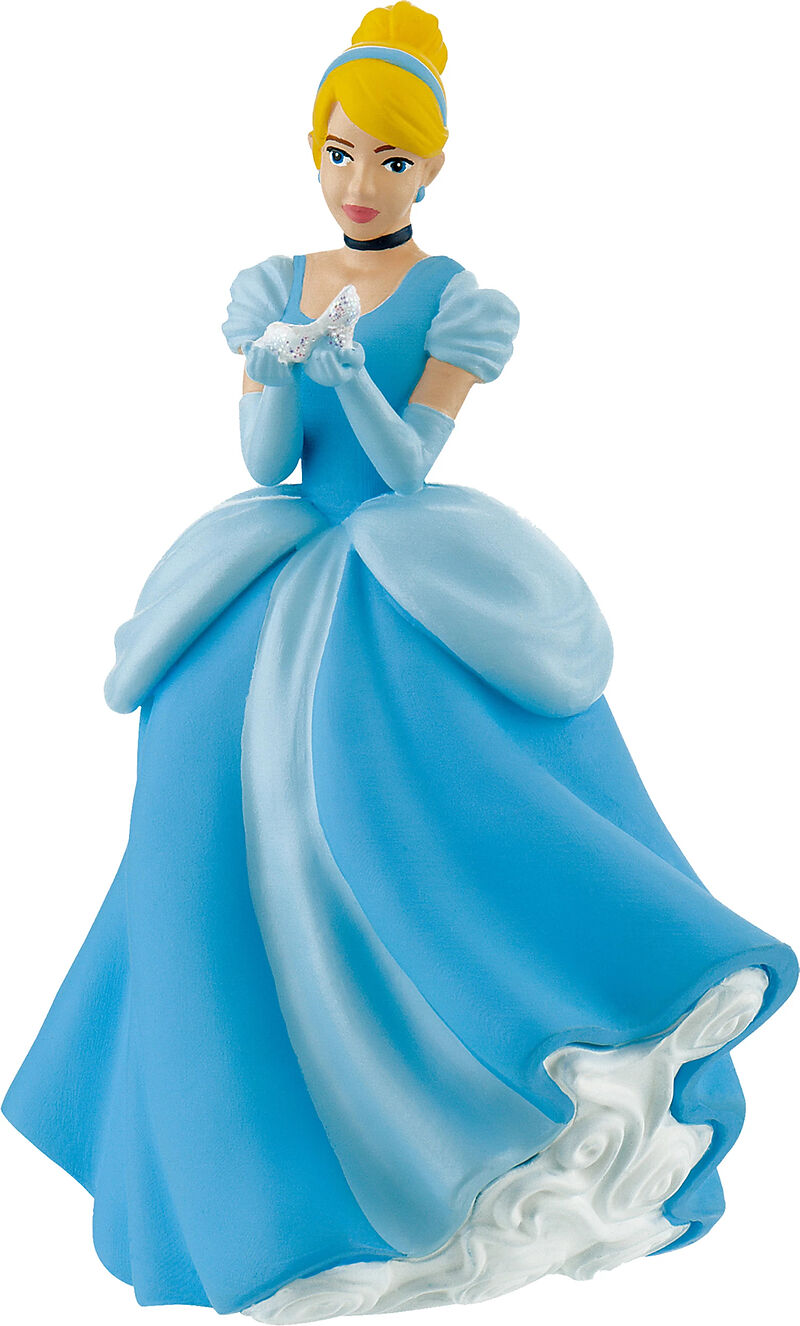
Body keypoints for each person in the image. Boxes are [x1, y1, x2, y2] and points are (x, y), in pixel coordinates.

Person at [3, 4, 796, 1321]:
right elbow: (266, 462)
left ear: (431, 167)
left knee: (417, 804)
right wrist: (274, 372)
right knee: (207, 820)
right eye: (337, 153)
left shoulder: (455, 299)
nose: (357, 182)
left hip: (398, 567)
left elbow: (409, 462)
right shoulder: (273, 282)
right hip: (267, 570)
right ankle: (262, 1159)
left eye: (386, 159)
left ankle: (522, 1053)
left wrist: (354, 374)